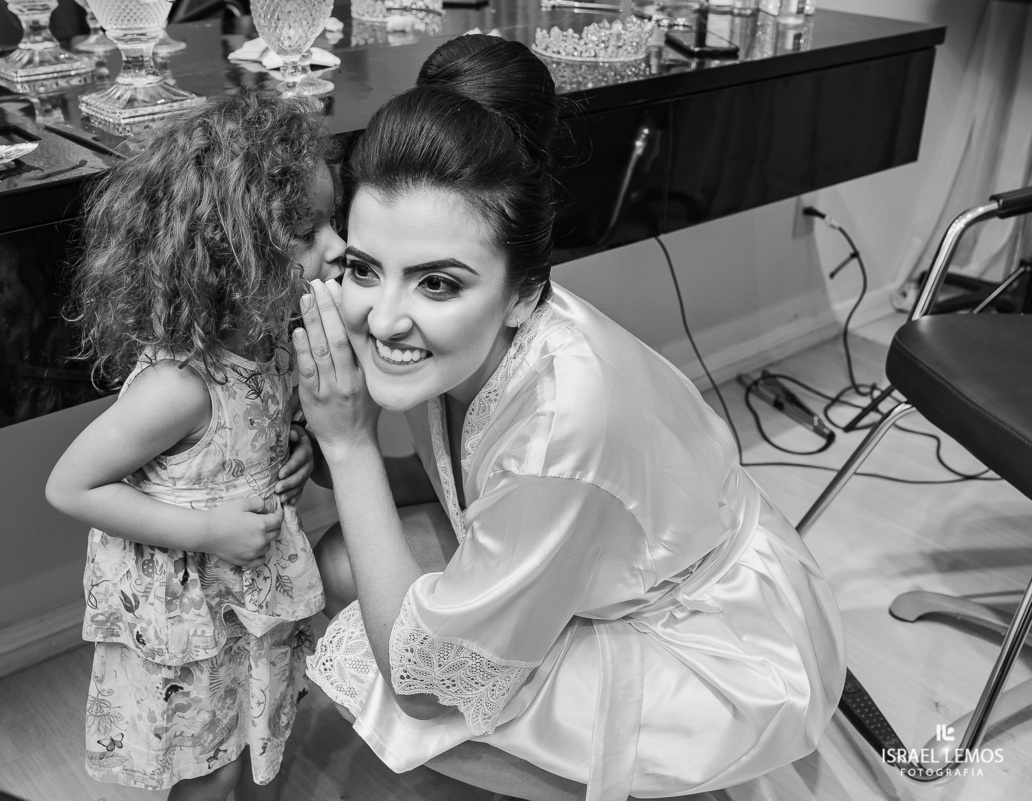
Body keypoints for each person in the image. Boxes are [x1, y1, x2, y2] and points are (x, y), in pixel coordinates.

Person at [292, 34, 846, 801]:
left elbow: (425, 686)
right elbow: (450, 472)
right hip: (602, 560)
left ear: (523, 292)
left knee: (418, 677)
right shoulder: (471, 345)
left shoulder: (562, 420)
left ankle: (665, 782)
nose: (384, 320)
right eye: (364, 267)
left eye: (439, 285)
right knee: (342, 560)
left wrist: (348, 445)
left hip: (710, 646)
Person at [44, 90, 345, 801]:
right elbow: (71, 485)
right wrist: (207, 528)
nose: (336, 246)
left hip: (250, 595)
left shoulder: (271, 341)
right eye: (307, 231)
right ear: (226, 257)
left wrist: (293, 448)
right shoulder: (180, 387)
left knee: (264, 732)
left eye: (331, 219)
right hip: (192, 615)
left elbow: (251, 436)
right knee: (209, 765)